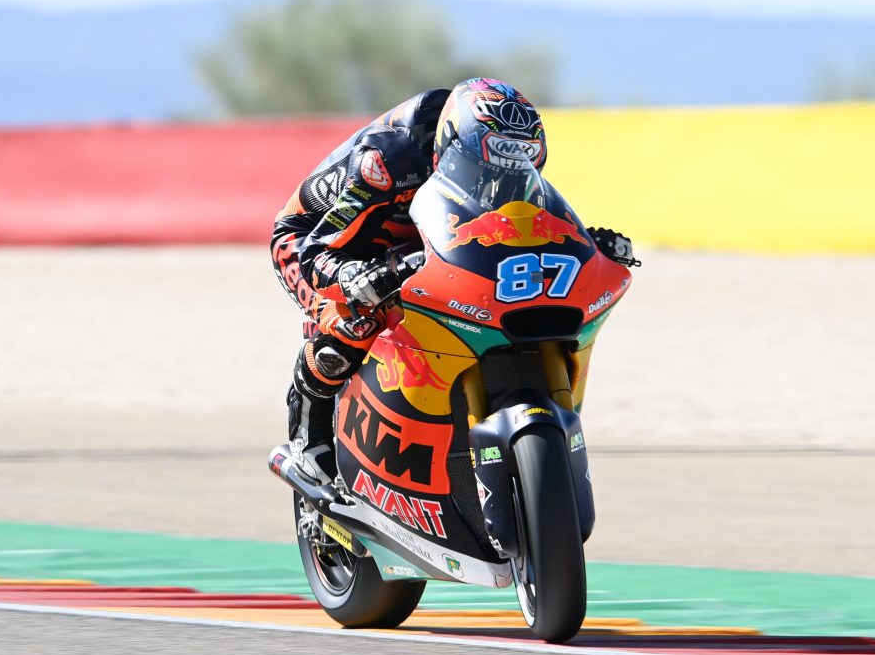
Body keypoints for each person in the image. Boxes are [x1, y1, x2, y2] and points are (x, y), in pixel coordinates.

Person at [270, 77, 636, 486]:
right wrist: (352, 276)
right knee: (356, 322)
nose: (498, 176)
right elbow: (317, 249)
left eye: (518, 165)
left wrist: (586, 245)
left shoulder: (497, 168)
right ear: (451, 145)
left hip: (425, 236)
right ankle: (308, 435)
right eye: (485, 164)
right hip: (319, 241)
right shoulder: (385, 161)